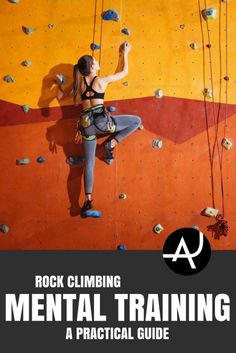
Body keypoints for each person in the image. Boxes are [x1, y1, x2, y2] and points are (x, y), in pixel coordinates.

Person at [56, 41, 142, 217]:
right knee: (136, 121)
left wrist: (58, 83)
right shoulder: (100, 81)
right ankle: (111, 144)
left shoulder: (78, 85)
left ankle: (87, 200)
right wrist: (124, 53)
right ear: (93, 67)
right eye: (95, 61)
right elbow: (123, 72)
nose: (97, 62)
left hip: (87, 128)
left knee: (89, 164)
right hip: (103, 124)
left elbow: (58, 95)